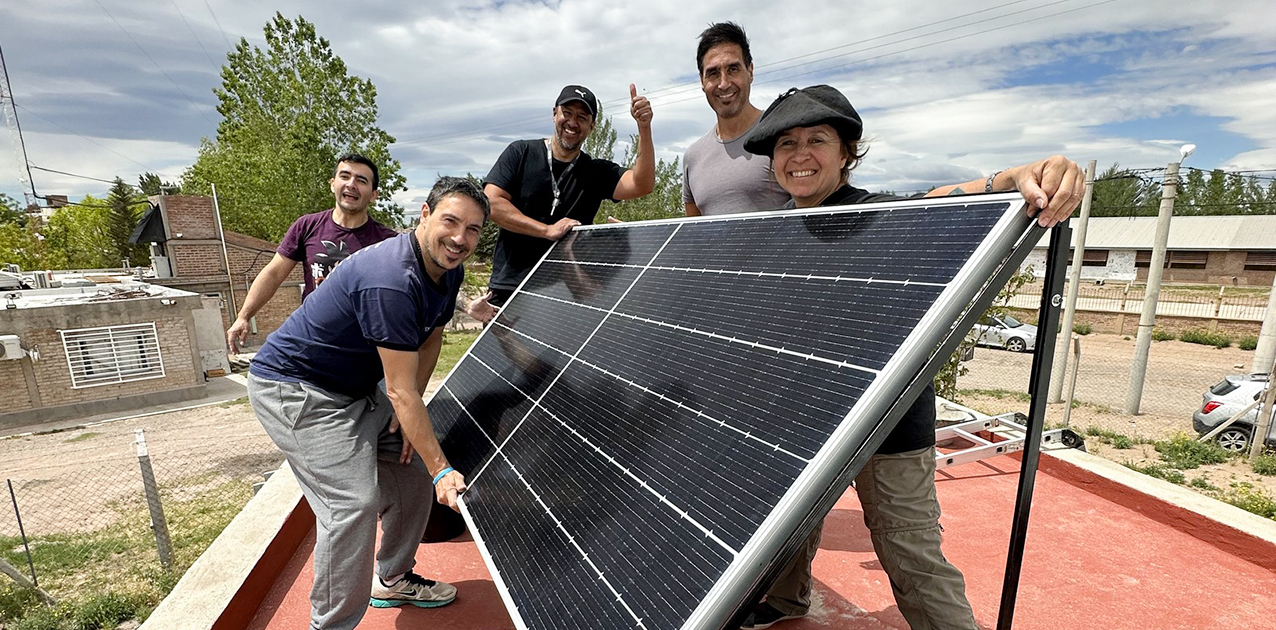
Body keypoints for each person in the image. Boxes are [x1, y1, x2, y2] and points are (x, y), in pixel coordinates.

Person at [734, 85, 1083, 630]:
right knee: (789, 525)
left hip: (888, 424)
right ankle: (784, 600)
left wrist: (1019, 176)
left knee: (909, 552)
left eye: (817, 140)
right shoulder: (776, 227)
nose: (799, 155)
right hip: (809, 418)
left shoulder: (882, 216)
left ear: (848, 152)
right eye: (786, 144)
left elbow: (950, 197)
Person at [247, 176, 487, 630]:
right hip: (298, 390)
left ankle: (393, 578)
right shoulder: (391, 280)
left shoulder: (448, 268)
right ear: (424, 214)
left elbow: (431, 337)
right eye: (451, 221)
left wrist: (412, 421)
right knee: (351, 505)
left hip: (355, 390)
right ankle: (331, 624)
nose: (460, 238)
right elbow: (398, 390)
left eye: (473, 229)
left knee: (411, 473)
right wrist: (442, 467)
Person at [468, 84, 655, 323]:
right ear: (554, 113)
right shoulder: (521, 152)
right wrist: (546, 231)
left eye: (582, 117)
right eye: (567, 113)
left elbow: (643, 184)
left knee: (561, 360)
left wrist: (644, 128)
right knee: (501, 358)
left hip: (565, 294)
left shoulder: (595, 172)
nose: (572, 122)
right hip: (511, 288)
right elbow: (492, 203)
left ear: (591, 127)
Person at [226, 153, 399, 353]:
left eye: (361, 180)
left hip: (364, 348)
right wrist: (244, 316)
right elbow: (273, 274)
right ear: (332, 184)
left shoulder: (388, 242)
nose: (352, 184)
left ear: (373, 195)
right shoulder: (307, 226)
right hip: (314, 342)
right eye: (345, 176)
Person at [683, 22, 790, 217]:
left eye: (733, 69)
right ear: (702, 81)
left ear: (750, 71)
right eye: (713, 73)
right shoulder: (693, 157)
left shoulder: (784, 134)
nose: (723, 84)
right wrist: (645, 238)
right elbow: (693, 240)